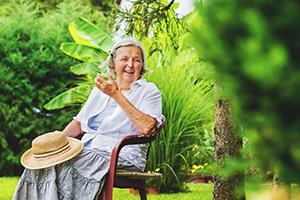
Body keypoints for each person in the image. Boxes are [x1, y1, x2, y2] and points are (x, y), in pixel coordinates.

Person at [13, 38, 163, 200]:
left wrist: (115, 94)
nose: (130, 65)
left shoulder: (149, 91)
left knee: (72, 164)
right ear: (113, 63)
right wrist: (56, 144)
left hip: (120, 154)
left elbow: (148, 127)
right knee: (41, 163)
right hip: (86, 148)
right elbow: (79, 124)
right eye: (124, 59)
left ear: (142, 66)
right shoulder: (100, 90)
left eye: (136, 60)